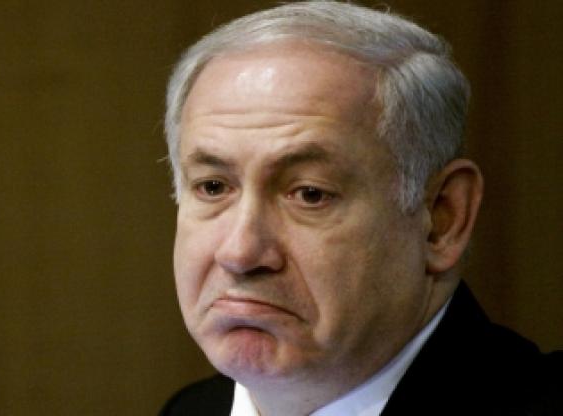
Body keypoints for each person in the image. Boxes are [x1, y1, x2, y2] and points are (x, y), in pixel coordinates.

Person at [159, 1, 562, 415]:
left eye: (310, 194)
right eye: (212, 187)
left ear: (443, 220)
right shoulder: (190, 410)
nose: (240, 253)